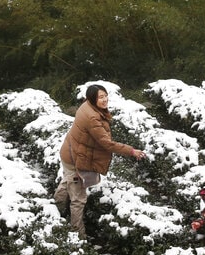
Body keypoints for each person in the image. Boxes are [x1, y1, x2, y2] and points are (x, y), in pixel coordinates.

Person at [54, 84, 146, 238]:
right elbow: (106, 143)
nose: (104, 100)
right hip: (75, 158)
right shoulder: (92, 117)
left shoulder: (86, 105)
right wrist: (131, 151)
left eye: (105, 96)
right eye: (100, 97)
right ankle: (78, 235)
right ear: (92, 99)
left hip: (69, 152)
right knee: (79, 199)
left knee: (69, 179)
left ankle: (55, 208)